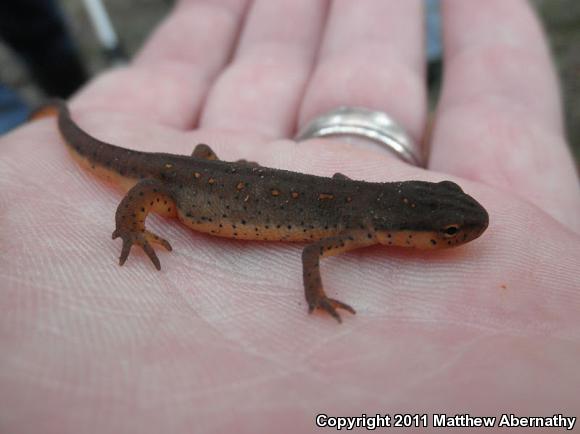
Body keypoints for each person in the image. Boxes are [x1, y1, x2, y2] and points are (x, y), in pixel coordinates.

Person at [0, 1, 578, 432]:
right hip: (188, 192)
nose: (457, 238)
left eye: (450, 232)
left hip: (213, 179)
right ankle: (72, 132)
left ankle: (61, 112)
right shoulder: (354, 224)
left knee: (206, 164)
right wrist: (315, 299)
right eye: (449, 235)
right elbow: (309, 251)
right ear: (406, 230)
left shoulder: (365, 208)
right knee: (169, 181)